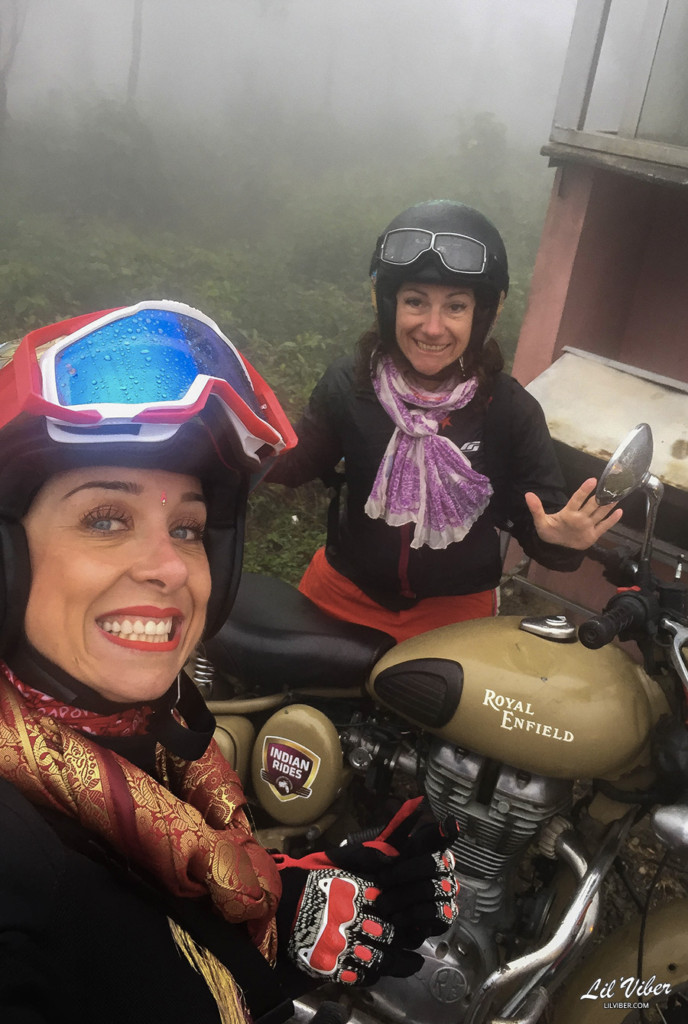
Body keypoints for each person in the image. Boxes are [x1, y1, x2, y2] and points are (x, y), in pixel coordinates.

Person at [0, 301, 459, 1024]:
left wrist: (293, 916)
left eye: (187, 528)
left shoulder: (152, 753)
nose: (169, 567)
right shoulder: (19, 868)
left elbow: (149, 930)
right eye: (106, 519)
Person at [267, 200, 622, 642]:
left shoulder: (508, 408)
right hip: (345, 587)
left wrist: (560, 542)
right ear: (389, 305)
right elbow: (296, 462)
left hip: (455, 606)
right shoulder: (351, 384)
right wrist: (238, 433)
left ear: (481, 316)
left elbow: (540, 525)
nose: (433, 328)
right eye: (415, 301)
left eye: (455, 307)